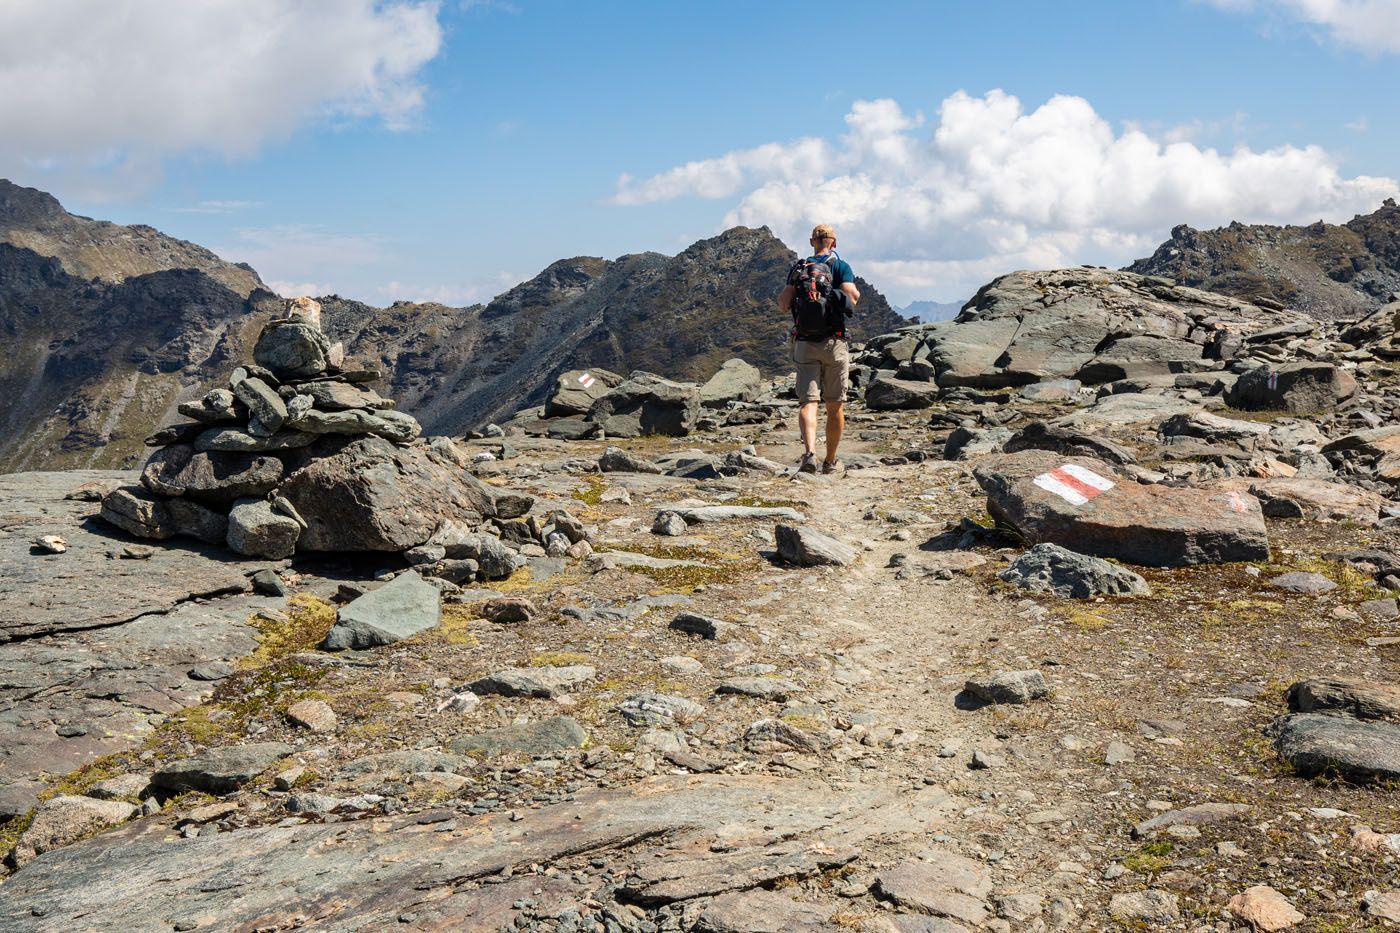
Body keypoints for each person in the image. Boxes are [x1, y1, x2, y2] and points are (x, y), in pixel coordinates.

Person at [778, 223, 860, 474]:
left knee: (808, 403)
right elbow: (852, 299)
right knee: (835, 404)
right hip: (834, 342)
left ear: (812, 241)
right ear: (833, 243)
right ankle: (831, 461)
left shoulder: (800, 268)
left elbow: (783, 304)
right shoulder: (840, 266)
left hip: (805, 343)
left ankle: (809, 454)